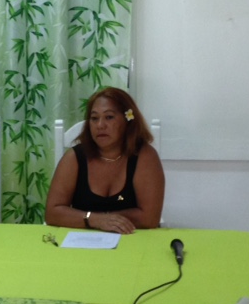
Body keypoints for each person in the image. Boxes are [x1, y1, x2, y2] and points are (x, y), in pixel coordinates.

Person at [45, 87, 164, 233]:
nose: (100, 125)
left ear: (128, 121)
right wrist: (96, 220)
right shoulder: (74, 158)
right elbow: (52, 213)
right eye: (94, 118)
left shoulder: (145, 156)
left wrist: (104, 219)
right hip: (81, 241)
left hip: (132, 239)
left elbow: (149, 218)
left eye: (109, 117)